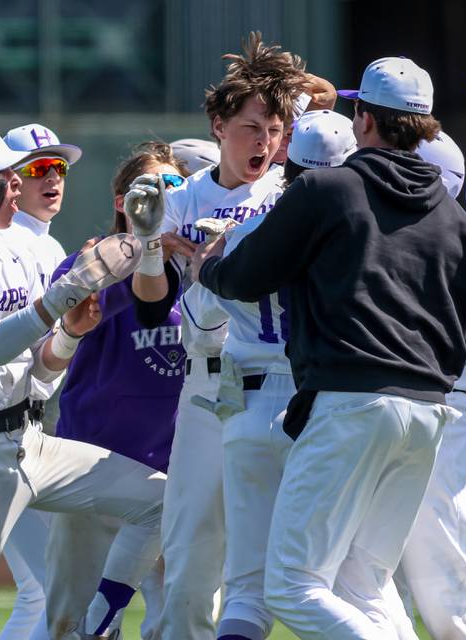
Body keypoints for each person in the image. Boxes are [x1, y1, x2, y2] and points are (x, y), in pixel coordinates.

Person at [191, 55, 466, 638]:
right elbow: (463, 330)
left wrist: (209, 267)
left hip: (349, 402)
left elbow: (245, 278)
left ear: (364, 120)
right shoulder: (454, 215)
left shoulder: (330, 187)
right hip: (429, 409)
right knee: (365, 586)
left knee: (292, 588)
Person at [0, 124, 165, 640]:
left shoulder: (14, 249)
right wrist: (75, 286)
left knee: (161, 503)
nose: (17, 185)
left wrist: (69, 333)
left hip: (30, 442)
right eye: (4, 176)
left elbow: (38, 369)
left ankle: (98, 621)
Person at [123, 32, 311, 639]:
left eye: (277, 130)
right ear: (219, 125)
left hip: (287, 386)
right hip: (207, 390)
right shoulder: (184, 198)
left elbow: (329, 99)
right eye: (255, 127)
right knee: (190, 563)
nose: (267, 142)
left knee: (307, 562)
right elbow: (152, 307)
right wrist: (150, 247)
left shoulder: (293, 193)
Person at [185, 109, 357, 640]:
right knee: (345, 582)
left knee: (245, 589)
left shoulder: (249, 229)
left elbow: (198, 328)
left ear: (287, 162)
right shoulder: (355, 235)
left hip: (249, 406)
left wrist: (203, 261)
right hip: (322, 407)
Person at [43, 141, 189, 640]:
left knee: (182, 624)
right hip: (93, 471)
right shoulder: (88, 264)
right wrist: (138, 252)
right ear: (120, 200)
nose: (160, 197)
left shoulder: (197, 273)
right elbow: (69, 311)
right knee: (71, 625)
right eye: (145, 188)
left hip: (174, 480)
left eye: (173, 186)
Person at [392, 130, 466, 639]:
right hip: (400, 415)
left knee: (451, 591)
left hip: (442, 413)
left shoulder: (453, 236)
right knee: (382, 587)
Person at [0, 122, 83, 640]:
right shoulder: (5, 244)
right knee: (45, 587)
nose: (53, 178)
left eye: (59, 168)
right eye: (38, 169)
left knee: (45, 588)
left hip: (28, 431)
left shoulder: (49, 248)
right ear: (11, 180)